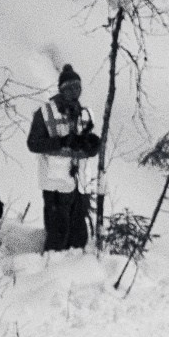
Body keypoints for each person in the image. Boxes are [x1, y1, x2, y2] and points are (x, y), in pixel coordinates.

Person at [25, 64, 101, 251]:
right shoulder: (45, 112)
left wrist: (92, 146)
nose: (76, 92)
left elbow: (86, 147)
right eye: (72, 87)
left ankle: (76, 267)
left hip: (79, 182)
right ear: (63, 88)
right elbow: (33, 144)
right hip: (54, 181)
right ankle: (51, 267)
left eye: (79, 87)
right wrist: (61, 142)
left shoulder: (84, 113)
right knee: (58, 231)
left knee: (78, 232)